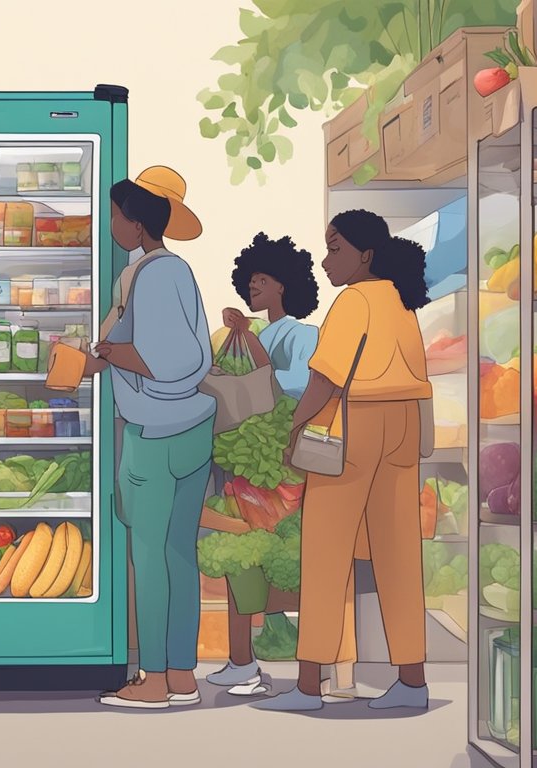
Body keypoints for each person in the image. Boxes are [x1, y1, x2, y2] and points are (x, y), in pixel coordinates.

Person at [255, 209, 433, 713]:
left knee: (326, 551)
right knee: (399, 553)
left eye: (335, 249)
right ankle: (412, 682)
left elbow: (324, 379)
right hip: (403, 426)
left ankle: (309, 686)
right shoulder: (402, 301)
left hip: (352, 427)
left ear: (366, 255)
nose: (327, 259)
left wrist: (294, 431)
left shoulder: (353, 300)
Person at [204, 233, 357, 702]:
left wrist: (249, 341)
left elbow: (297, 387)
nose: (253, 288)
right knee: (239, 554)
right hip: (246, 463)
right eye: (249, 280)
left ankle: (314, 666)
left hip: (286, 465)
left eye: (262, 280)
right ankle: (241, 661)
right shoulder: (248, 334)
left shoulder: (301, 334)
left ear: (284, 286)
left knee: (290, 561)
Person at [89, 167, 215, 710]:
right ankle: (183, 675)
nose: (112, 223)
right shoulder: (167, 272)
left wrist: (111, 355)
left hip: (155, 432)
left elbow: (168, 360)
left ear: (137, 223)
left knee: (150, 553)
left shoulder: (154, 275)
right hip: (191, 428)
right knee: (178, 553)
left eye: (117, 214)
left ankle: (156, 680)